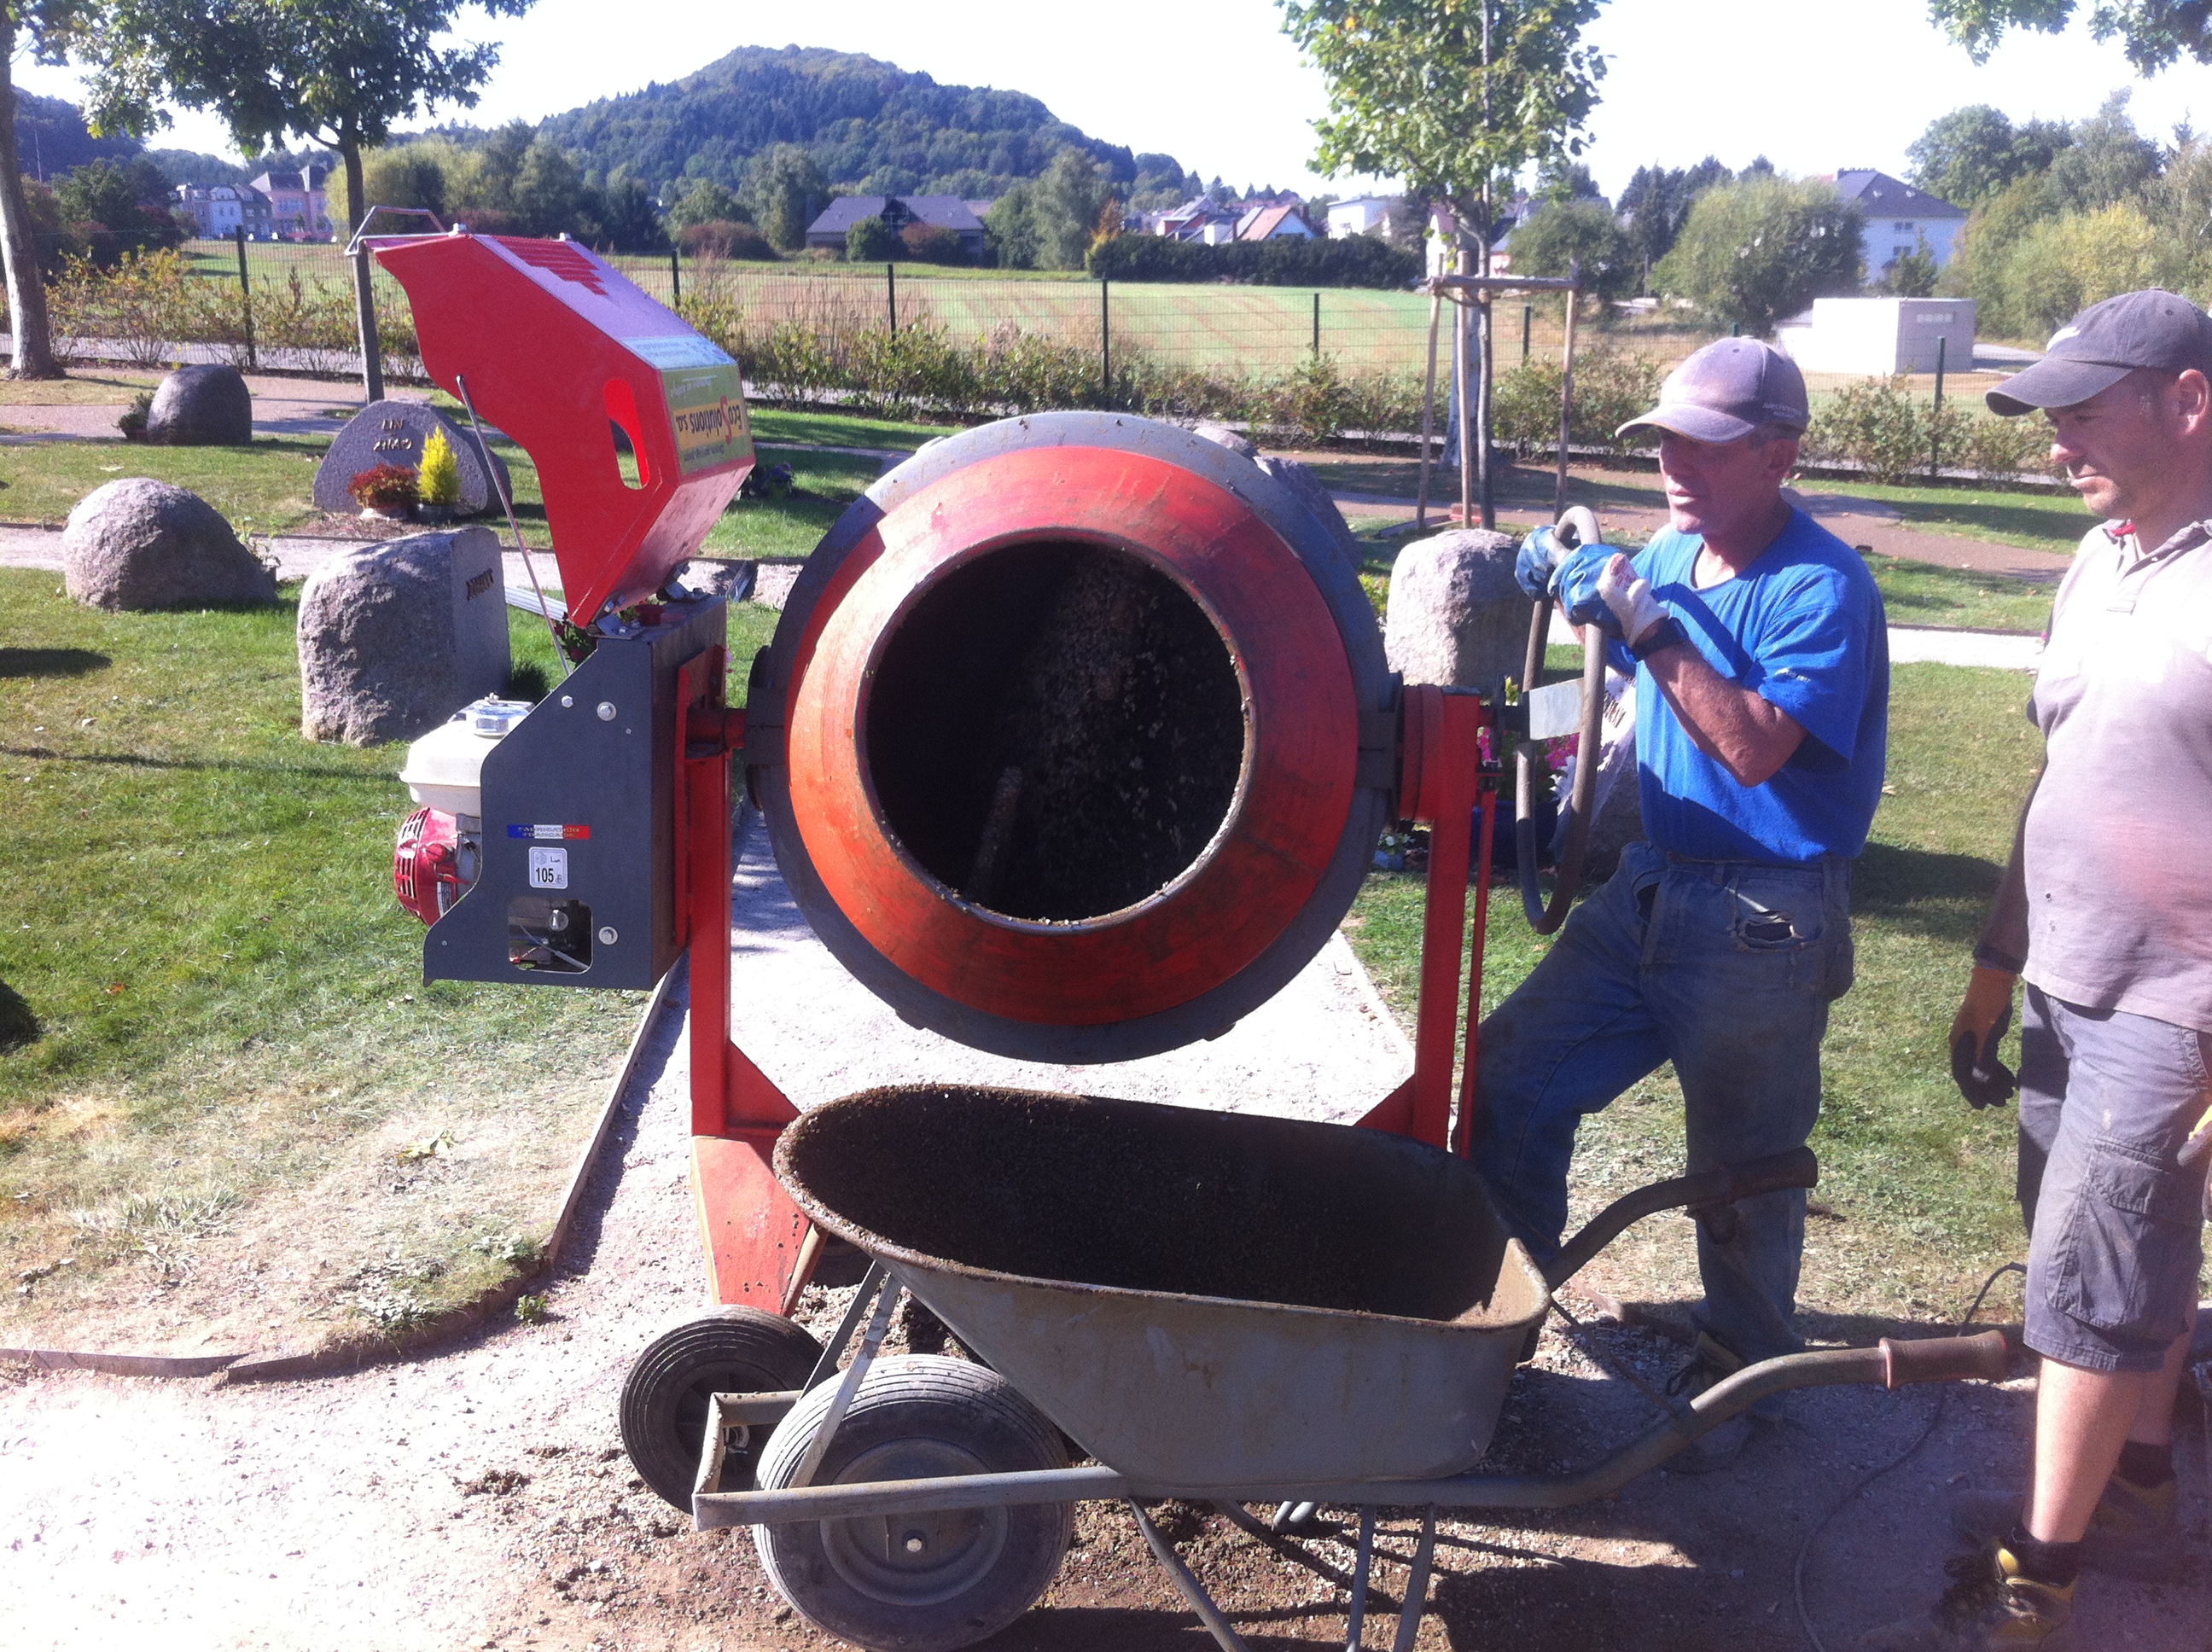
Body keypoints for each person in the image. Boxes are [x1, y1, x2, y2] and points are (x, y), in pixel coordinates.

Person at [1860, 289, 2212, 1650]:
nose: (2057, 443)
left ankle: (2038, 1585)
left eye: (2084, 413)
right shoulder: (2100, 560)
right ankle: (2143, 1487)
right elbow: (2057, 776)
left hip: (2176, 1001)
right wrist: (1996, 963)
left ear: (2189, 402)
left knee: (2086, 1279)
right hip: (2067, 974)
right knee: (2129, 1258)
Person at [1475, 338, 1889, 1461]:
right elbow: (1613, 665)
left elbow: (1752, 748)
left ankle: (1741, 1380)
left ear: (1780, 455)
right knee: (1511, 1073)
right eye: (1662, 443)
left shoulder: (1821, 587)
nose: (1673, 466)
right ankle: (1491, 1327)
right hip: (1652, 886)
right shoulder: (1671, 551)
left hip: (1764, 917)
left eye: (1703, 446)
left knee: (1742, 1167)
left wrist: (1645, 619)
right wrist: (1560, 599)